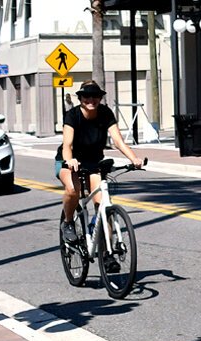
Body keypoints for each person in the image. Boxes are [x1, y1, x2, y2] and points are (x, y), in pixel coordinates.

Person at [57, 81, 146, 255]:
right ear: (80, 98)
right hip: (70, 160)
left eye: (96, 96)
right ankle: (68, 222)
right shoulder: (72, 115)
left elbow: (118, 141)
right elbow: (67, 144)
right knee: (73, 190)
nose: (91, 99)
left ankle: (108, 252)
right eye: (87, 96)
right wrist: (69, 160)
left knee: (103, 205)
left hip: (93, 162)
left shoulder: (105, 113)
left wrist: (133, 158)